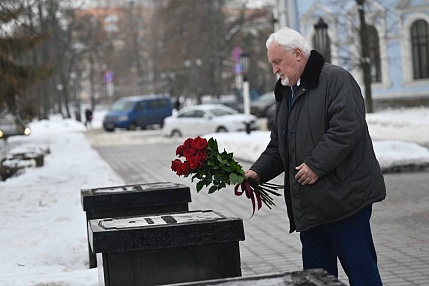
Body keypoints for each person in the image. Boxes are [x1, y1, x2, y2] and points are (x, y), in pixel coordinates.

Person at [246, 27, 386, 285]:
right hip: (309, 205)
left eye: (278, 62)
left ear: (298, 54)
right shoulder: (286, 92)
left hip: (345, 200)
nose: (274, 69)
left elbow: (346, 129)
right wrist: (257, 172)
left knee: (362, 274)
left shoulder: (336, 79)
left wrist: (315, 165)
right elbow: (279, 145)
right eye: (272, 63)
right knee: (316, 279)